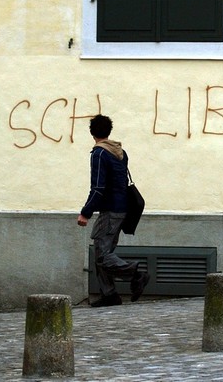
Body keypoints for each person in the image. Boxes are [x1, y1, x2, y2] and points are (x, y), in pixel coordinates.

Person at [78, 114, 150, 307]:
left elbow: (98, 188)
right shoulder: (120, 152)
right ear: (108, 131)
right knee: (103, 251)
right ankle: (109, 295)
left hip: (110, 210)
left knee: (102, 255)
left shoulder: (99, 154)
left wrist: (85, 212)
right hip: (122, 208)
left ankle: (135, 273)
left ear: (92, 132)